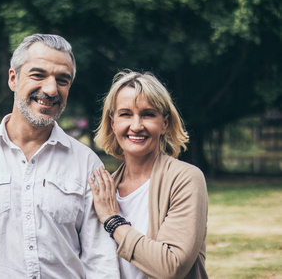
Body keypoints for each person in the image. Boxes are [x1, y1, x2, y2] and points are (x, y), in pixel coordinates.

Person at [0, 34, 120, 278]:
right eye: (38, 75)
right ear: (13, 78)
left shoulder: (86, 163)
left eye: (62, 80)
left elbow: (100, 260)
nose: (51, 89)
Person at [88, 70, 208, 279]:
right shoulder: (105, 189)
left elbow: (171, 266)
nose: (136, 126)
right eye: (125, 114)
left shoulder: (185, 179)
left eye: (148, 114)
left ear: (165, 123)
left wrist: (112, 220)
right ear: (112, 122)